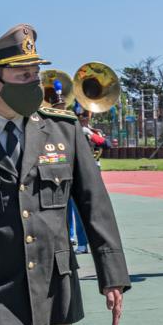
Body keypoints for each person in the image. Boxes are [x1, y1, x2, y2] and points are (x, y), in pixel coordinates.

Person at [0, 24, 129, 325]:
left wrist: (112, 275)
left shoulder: (62, 130)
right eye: (23, 75)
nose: (35, 83)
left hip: (54, 290)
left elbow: (93, 201)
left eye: (35, 72)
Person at [67, 104, 111, 254]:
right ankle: (74, 239)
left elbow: (106, 144)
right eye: (82, 116)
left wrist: (91, 134)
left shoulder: (91, 130)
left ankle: (84, 243)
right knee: (72, 208)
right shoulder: (76, 130)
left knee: (84, 209)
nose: (85, 118)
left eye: (87, 115)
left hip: (91, 169)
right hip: (75, 170)